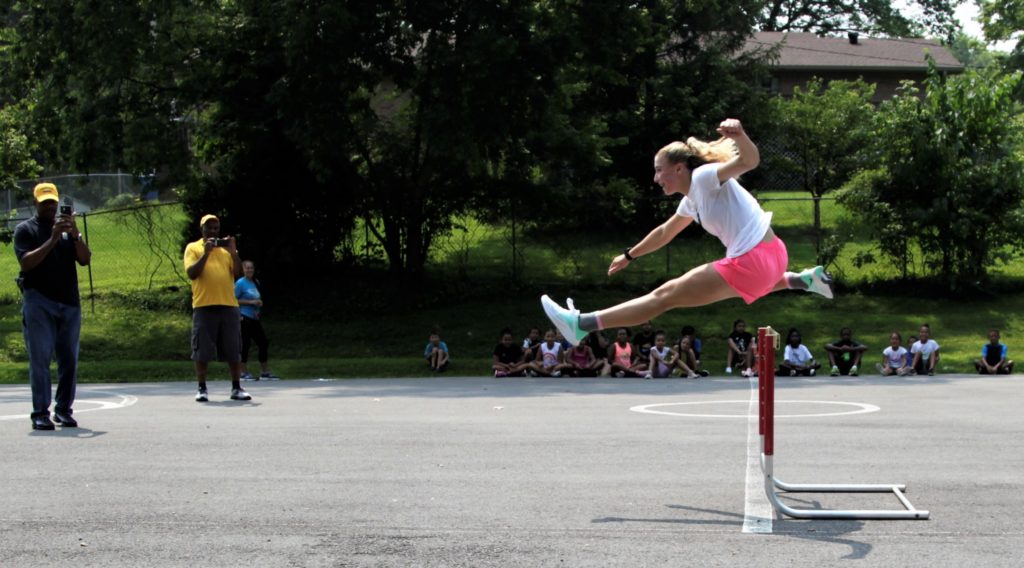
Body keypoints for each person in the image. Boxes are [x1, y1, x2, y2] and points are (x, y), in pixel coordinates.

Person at [541, 118, 833, 346]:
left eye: (659, 170)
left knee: (664, 295)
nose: (655, 178)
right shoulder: (691, 200)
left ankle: (582, 324)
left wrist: (740, 135)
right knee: (723, 284)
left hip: (753, 261)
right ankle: (804, 279)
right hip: (775, 256)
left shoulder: (704, 177)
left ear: (679, 168)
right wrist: (629, 255)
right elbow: (664, 232)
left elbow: (749, 161)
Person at [14, 183, 92, 430]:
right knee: (41, 358)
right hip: (39, 301)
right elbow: (27, 263)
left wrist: (75, 232)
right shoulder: (26, 229)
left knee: (69, 360)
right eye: (44, 202)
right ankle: (40, 412)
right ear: (35, 203)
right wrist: (54, 237)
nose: (49, 206)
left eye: (52, 202)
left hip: (69, 302)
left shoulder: (69, 231)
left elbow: (85, 259)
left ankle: (64, 410)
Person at [184, 214, 251, 402]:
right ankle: (202, 388)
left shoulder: (225, 251)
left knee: (233, 348)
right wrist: (206, 253)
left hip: (228, 304)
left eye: (216, 228)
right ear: (202, 229)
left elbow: (238, 274)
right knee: (202, 349)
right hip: (204, 305)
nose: (213, 231)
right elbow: (192, 273)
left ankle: (236, 387)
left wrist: (233, 252)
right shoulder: (193, 248)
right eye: (209, 228)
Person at [234, 260, 279, 381]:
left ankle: (264, 372)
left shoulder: (255, 282)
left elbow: (258, 297)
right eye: (247, 268)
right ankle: (243, 372)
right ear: (243, 270)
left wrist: (259, 304)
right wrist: (250, 302)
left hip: (254, 317)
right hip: (243, 317)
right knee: (245, 344)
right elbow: (233, 300)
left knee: (263, 342)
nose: (249, 270)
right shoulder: (240, 283)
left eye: (251, 268)